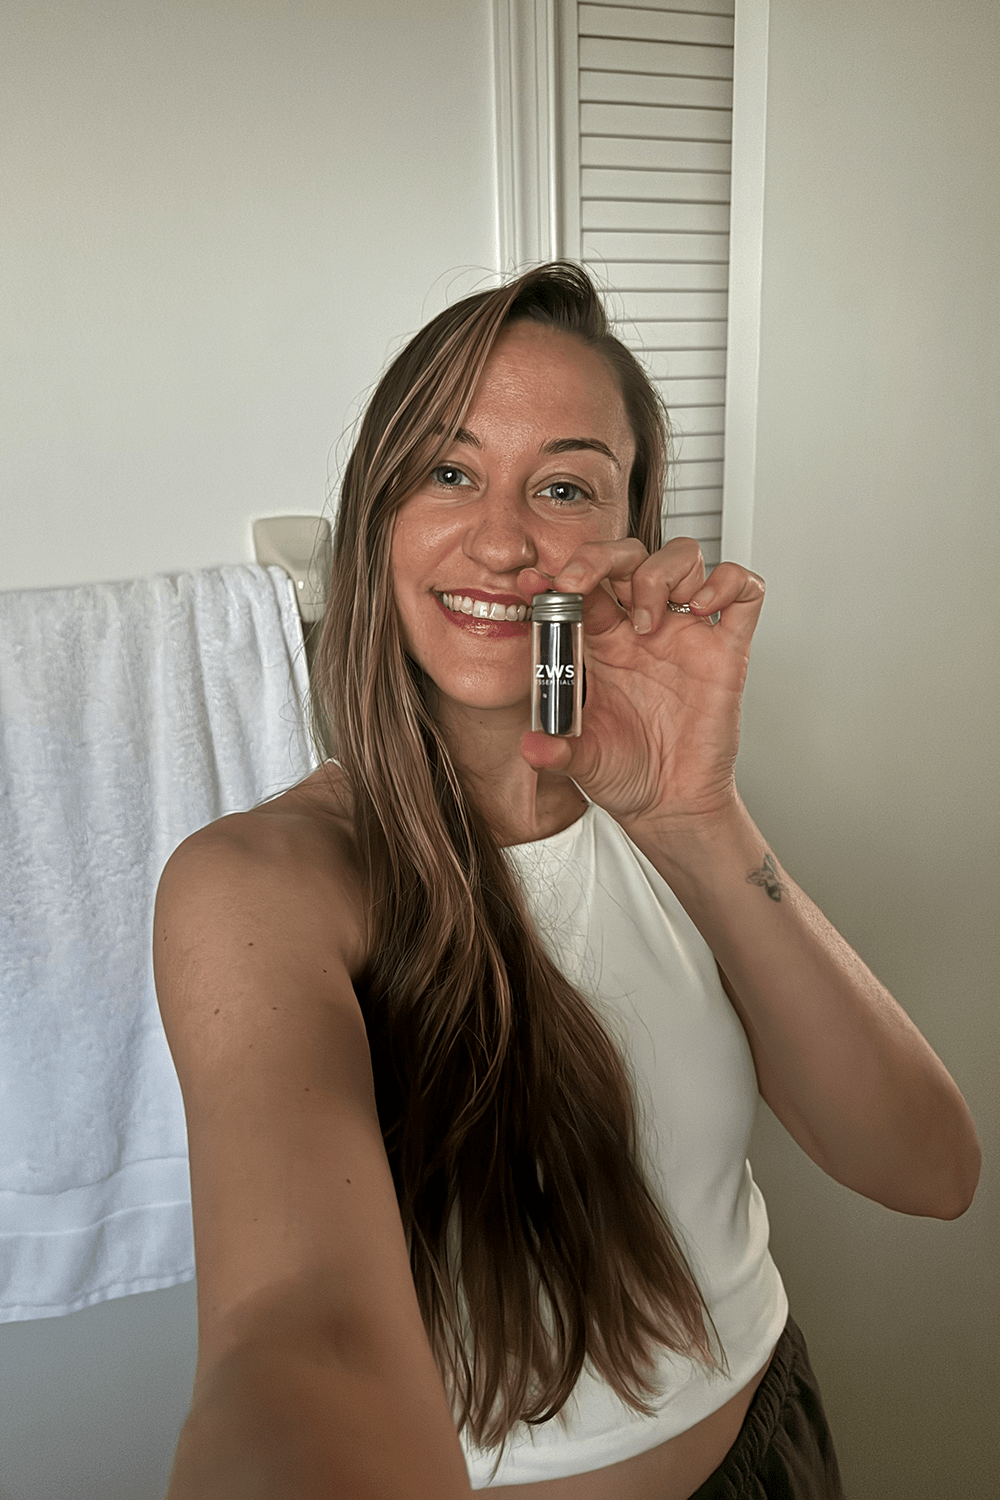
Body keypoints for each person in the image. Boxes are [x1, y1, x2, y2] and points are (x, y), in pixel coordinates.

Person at [154, 262, 981, 1500]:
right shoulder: (267, 883)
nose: (498, 536)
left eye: (562, 485)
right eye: (446, 470)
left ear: (629, 537)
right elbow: (297, 1330)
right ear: (377, 513)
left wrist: (696, 817)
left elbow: (929, 1171)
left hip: (776, 1442)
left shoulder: (666, 822)